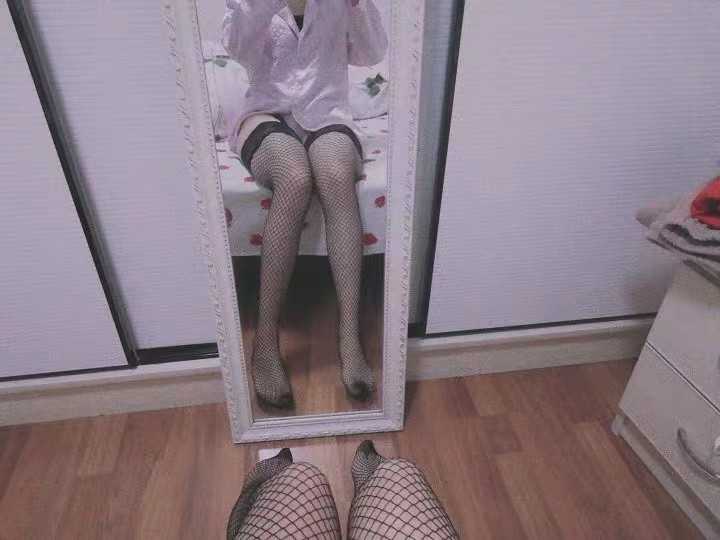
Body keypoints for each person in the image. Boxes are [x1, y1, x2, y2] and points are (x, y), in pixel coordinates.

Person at [222, 0, 388, 407]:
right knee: (294, 177)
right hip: (266, 113)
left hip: (327, 112)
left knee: (335, 175)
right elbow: (237, 46)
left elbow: (371, 53)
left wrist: (356, 5)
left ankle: (349, 337)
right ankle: (265, 343)